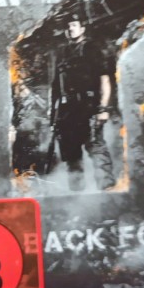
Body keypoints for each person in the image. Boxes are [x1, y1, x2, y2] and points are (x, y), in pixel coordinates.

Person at [51, 14, 115, 191]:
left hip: (89, 108)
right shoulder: (62, 53)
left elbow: (104, 79)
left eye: (74, 25)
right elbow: (55, 87)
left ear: (82, 28)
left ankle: (107, 190)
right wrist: (53, 115)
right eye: (68, 26)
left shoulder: (92, 49)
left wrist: (104, 108)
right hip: (68, 111)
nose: (70, 29)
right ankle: (77, 195)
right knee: (71, 154)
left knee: (96, 149)